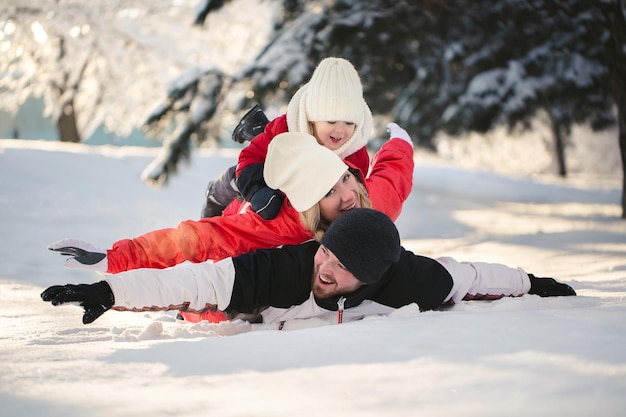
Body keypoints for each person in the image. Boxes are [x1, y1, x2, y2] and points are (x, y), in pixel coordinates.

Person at [41, 208, 577, 326]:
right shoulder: (288, 268)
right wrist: (111, 292)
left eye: (341, 267)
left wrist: (532, 284)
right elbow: (198, 280)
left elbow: (475, 276)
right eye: (327, 251)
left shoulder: (414, 279)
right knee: (201, 306)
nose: (325, 267)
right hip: (238, 316)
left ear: (370, 277)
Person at [201, 56, 376, 220]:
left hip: (303, 185)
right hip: (272, 171)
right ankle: (216, 195)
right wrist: (256, 191)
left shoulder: (355, 152)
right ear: (312, 119)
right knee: (242, 175)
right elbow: (250, 157)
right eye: (331, 121)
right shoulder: (286, 129)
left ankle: (257, 128)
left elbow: (355, 187)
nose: (341, 130)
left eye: (349, 122)